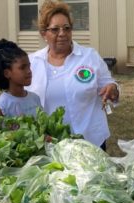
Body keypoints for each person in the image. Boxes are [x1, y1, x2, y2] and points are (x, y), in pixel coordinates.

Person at [26, 0, 119, 150]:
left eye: (66, 28)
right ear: (44, 34)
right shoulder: (32, 62)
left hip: (90, 141)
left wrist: (112, 89)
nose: (62, 34)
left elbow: (110, 84)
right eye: (55, 29)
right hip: (50, 144)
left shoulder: (89, 57)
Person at [0, 39, 42, 119]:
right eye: (23, 68)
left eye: (29, 66)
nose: (29, 71)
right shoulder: (1, 107)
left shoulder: (35, 99)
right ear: (7, 73)